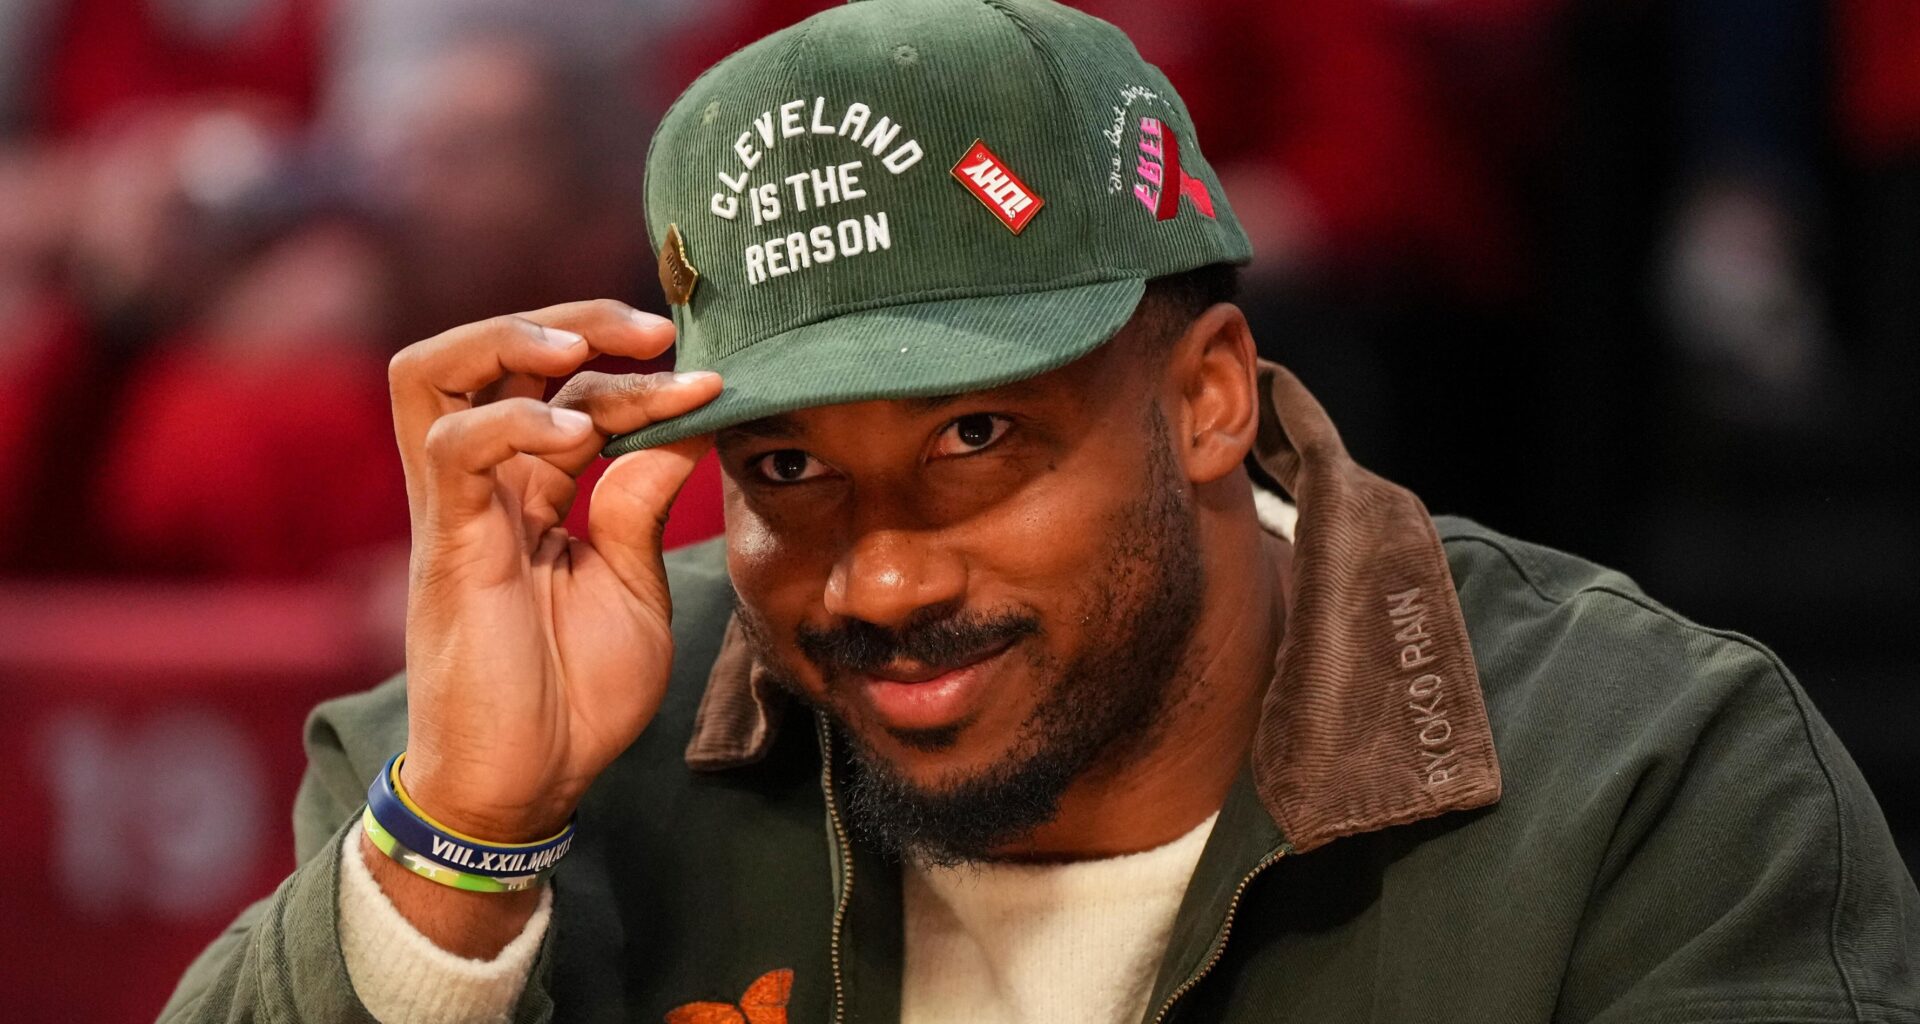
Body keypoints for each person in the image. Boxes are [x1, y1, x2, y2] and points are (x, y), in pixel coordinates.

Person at [160, 2, 1919, 1022]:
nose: (888, 570)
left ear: (1212, 396)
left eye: (979, 434)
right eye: (784, 468)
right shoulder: (510, 762)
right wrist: (464, 843)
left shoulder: (1651, 779)